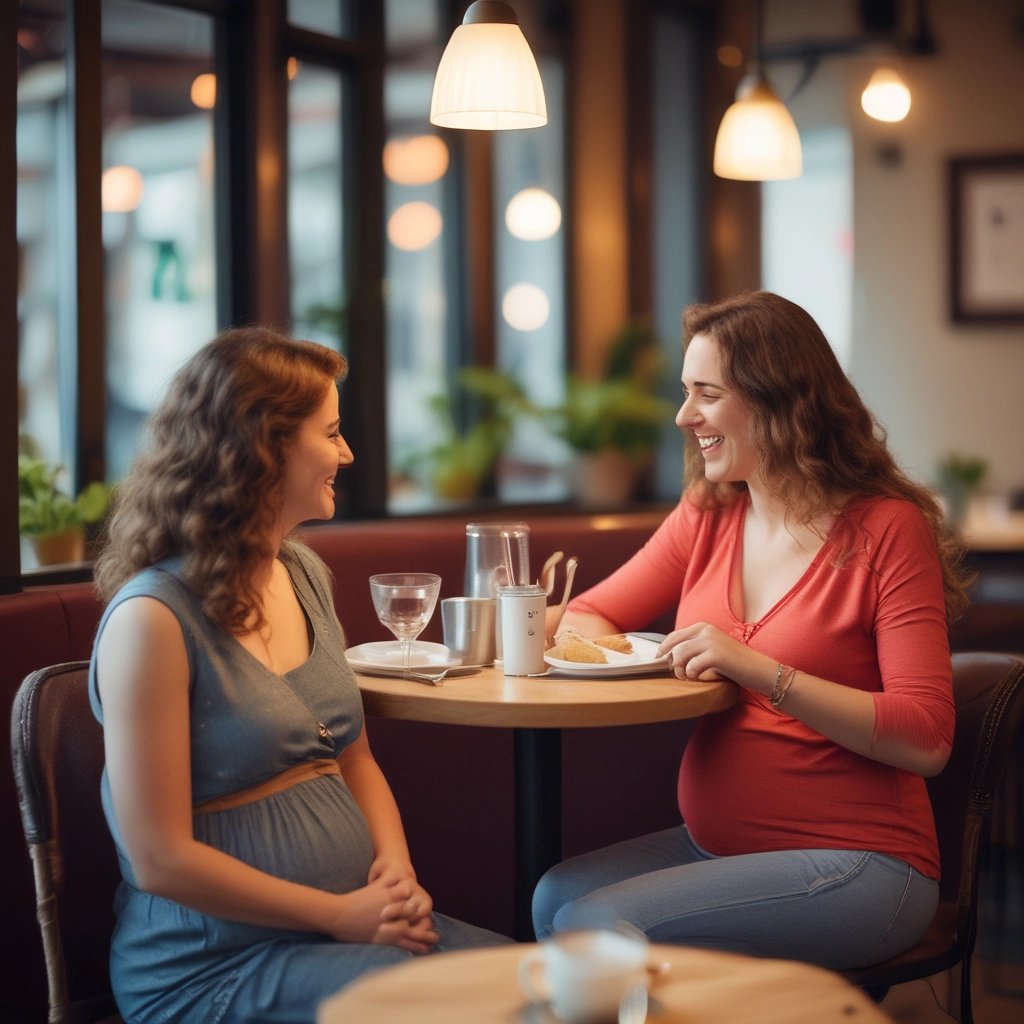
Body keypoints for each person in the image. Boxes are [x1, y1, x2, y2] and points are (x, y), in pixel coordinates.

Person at [534, 291, 971, 971]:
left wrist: (756, 668)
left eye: (706, 393)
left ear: (779, 401)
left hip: (862, 862)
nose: (685, 417)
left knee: (596, 920)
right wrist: (549, 631)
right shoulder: (710, 513)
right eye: (686, 393)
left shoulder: (887, 529)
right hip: (720, 847)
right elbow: (591, 613)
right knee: (552, 895)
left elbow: (927, 737)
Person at [90, 326, 509, 1024]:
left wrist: (395, 873)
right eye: (333, 432)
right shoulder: (152, 621)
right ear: (265, 446)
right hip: (210, 970)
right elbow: (157, 859)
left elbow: (354, 757)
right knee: (451, 1005)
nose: (347, 453)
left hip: (345, 931)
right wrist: (340, 914)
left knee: (533, 978)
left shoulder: (302, 571)